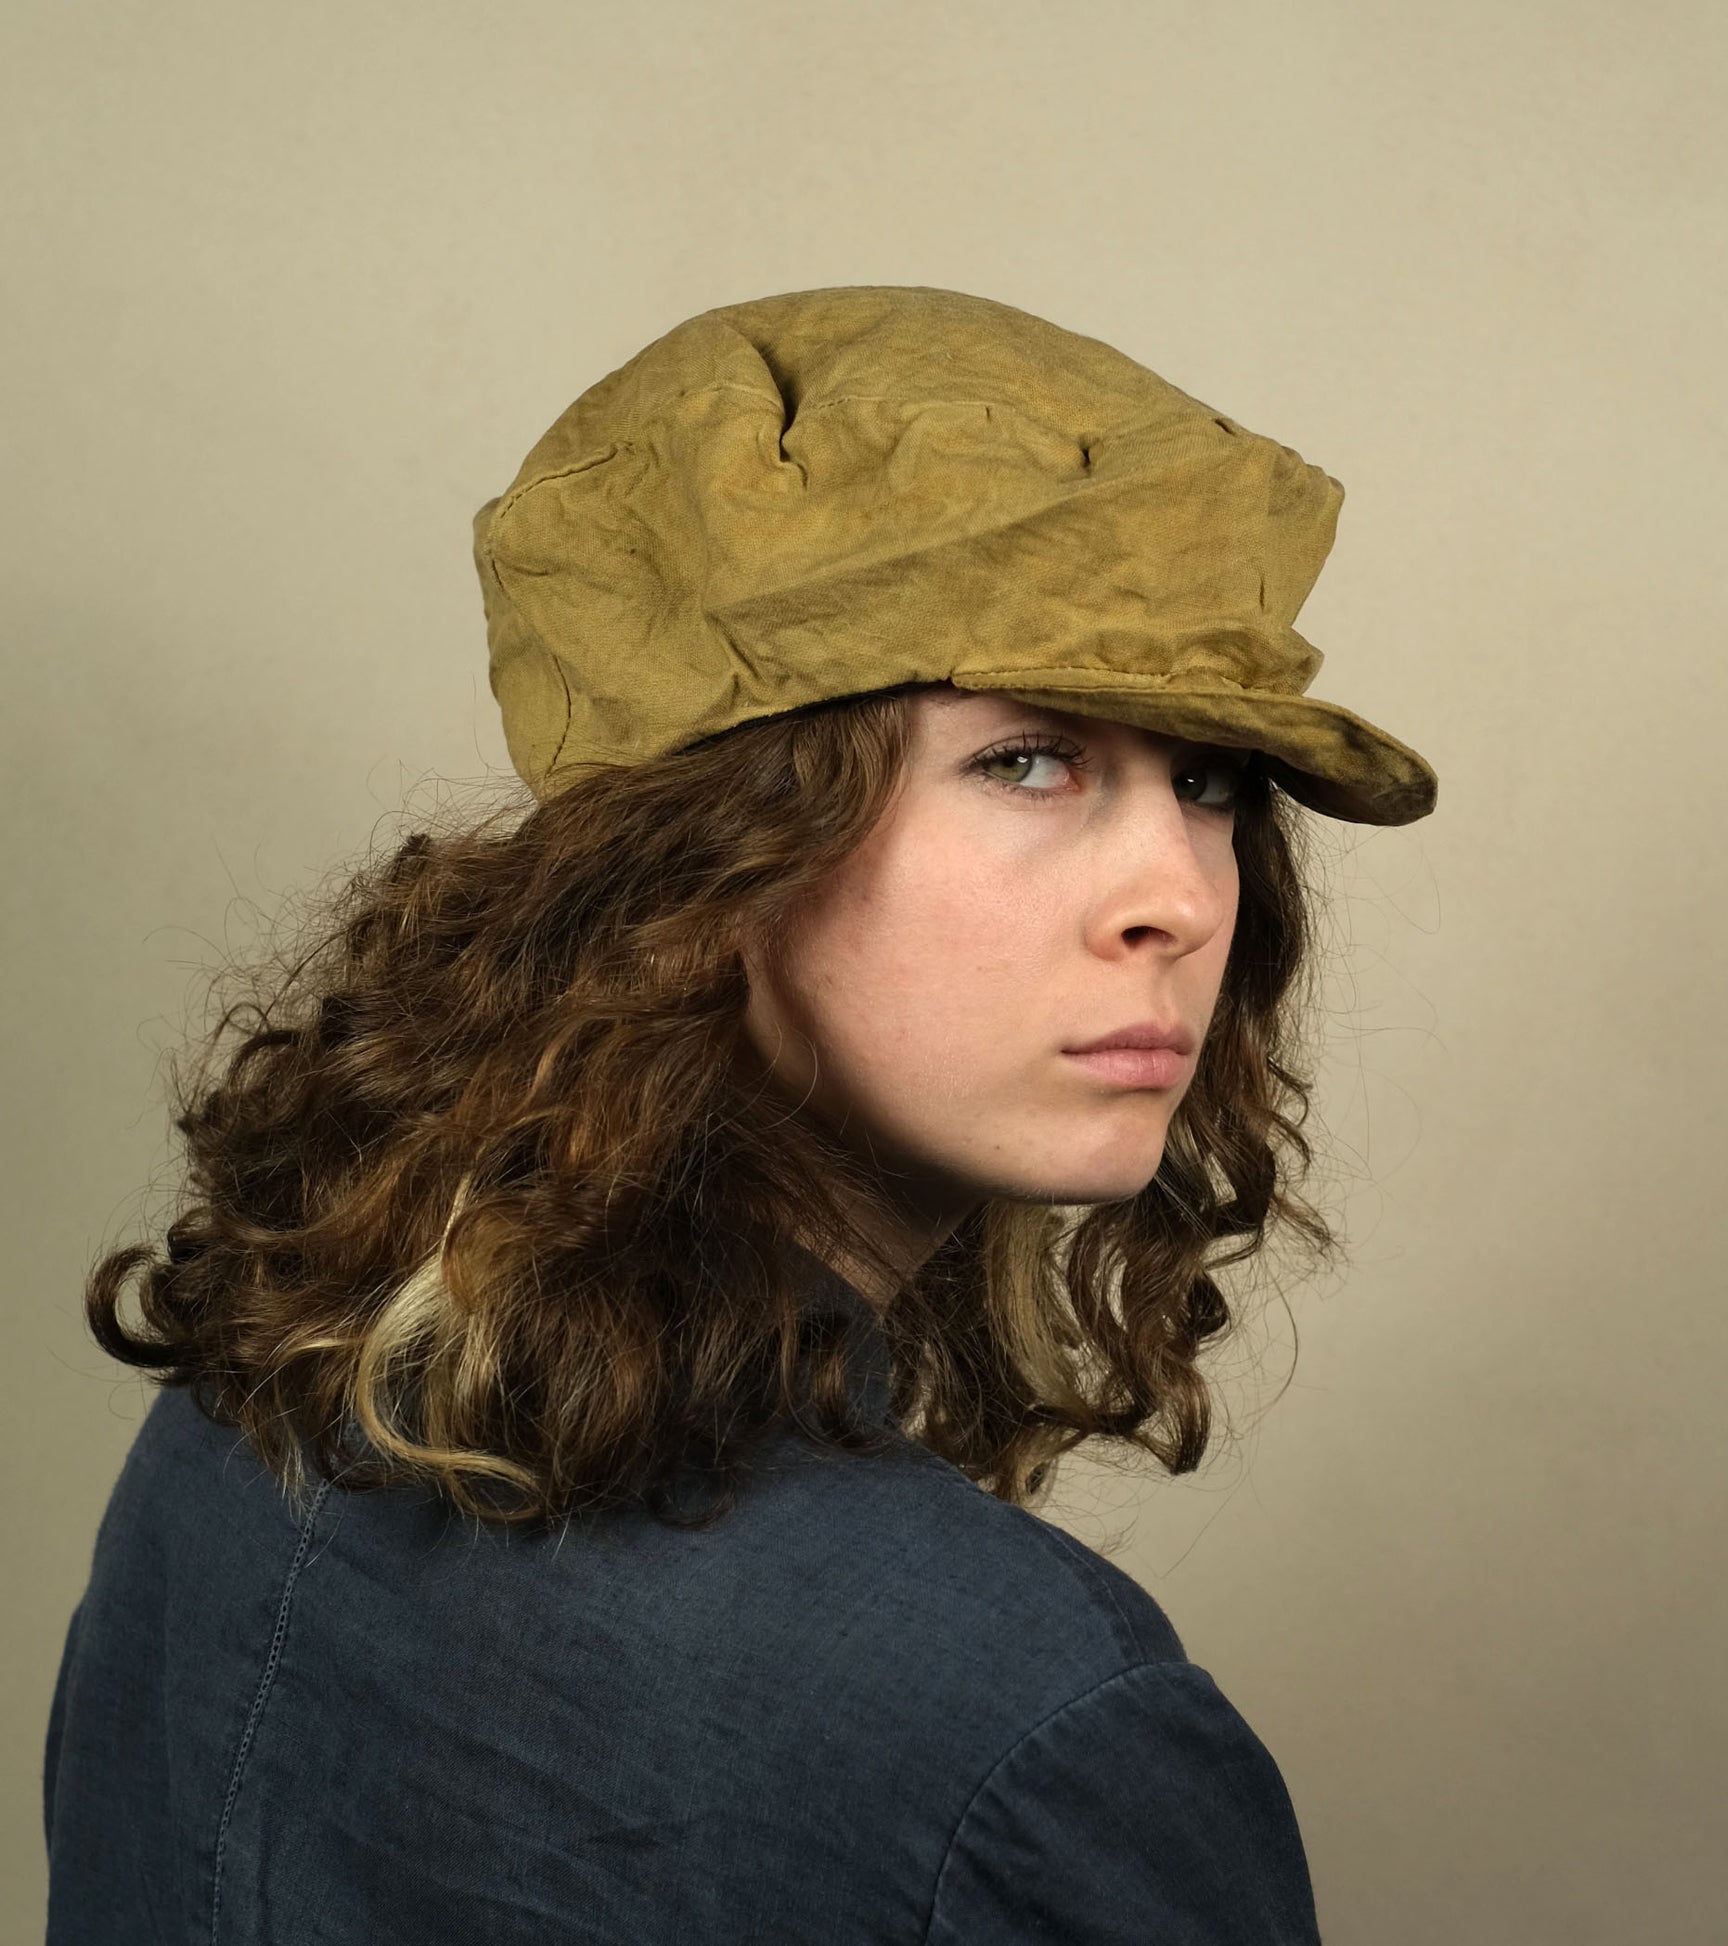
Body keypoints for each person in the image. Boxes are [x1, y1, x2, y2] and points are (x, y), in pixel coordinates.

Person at [43, 284, 1438, 1943]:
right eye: (1027, 761)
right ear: (705, 854)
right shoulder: (1038, 1727)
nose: (1180, 897)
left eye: (1207, 782)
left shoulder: (236, 1421)